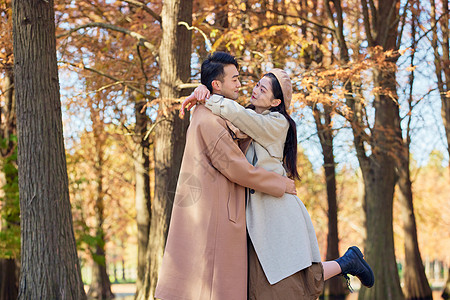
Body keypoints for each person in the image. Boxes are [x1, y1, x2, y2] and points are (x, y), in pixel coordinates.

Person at [182, 66, 374, 299]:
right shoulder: (247, 119)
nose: (254, 90)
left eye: (263, 89)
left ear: (275, 102)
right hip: (257, 215)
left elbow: (238, 116)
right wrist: (203, 90)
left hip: (276, 211)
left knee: (287, 281)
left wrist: (209, 96)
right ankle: (347, 261)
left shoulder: (276, 123)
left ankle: (348, 262)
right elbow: (231, 118)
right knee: (267, 283)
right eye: (257, 85)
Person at [154, 52, 298, 300]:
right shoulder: (210, 120)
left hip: (220, 206)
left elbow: (241, 122)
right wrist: (281, 183)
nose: (240, 85)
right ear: (217, 85)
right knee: (212, 286)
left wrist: (203, 92)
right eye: (235, 79)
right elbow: (237, 168)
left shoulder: (219, 114)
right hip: (217, 212)